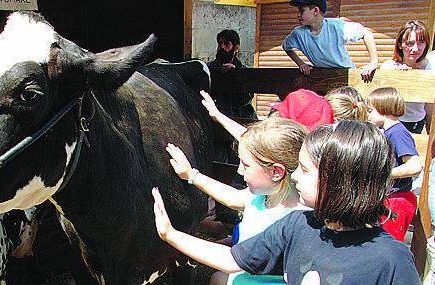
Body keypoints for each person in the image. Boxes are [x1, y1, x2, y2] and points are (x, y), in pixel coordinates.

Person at [152, 120, 420, 284]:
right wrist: (170, 235)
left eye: (304, 169)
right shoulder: (298, 226)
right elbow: (232, 258)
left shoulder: (392, 261)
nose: (295, 176)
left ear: (339, 181)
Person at [166, 117, 308, 285]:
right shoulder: (262, 197)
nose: (240, 171)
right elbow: (231, 197)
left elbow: (230, 261)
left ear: (276, 172)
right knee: (217, 279)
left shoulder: (299, 221)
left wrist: (169, 233)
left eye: (246, 165)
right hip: (243, 274)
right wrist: (191, 175)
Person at [365, 87, 423, 241]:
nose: (368, 115)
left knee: (388, 243)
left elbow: (415, 166)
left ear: (384, 109)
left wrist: (383, 173)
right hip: (392, 199)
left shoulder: (398, 133)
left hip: (398, 201)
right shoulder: (389, 132)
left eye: (370, 111)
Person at [282, 0, 378, 81]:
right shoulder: (298, 34)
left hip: (346, 74)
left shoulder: (337, 26)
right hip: (323, 76)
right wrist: (301, 63)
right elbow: (286, 47)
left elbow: (367, 34)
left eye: (302, 11)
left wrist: (373, 63)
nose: (298, 15)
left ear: (315, 10)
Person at [380, 20, 433, 134]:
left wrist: (430, 128)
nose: (416, 48)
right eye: (409, 43)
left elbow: (430, 104)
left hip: (416, 123)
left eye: (421, 42)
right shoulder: (388, 67)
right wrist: (398, 78)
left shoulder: (429, 67)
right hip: (392, 122)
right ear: (400, 45)